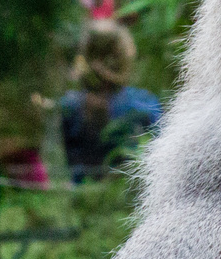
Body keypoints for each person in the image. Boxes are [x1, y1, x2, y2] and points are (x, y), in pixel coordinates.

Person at [57, 18, 160, 181]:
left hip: (83, 201)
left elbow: (72, 167)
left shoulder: (69, 106)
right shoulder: (145, 106)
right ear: (124, 57)